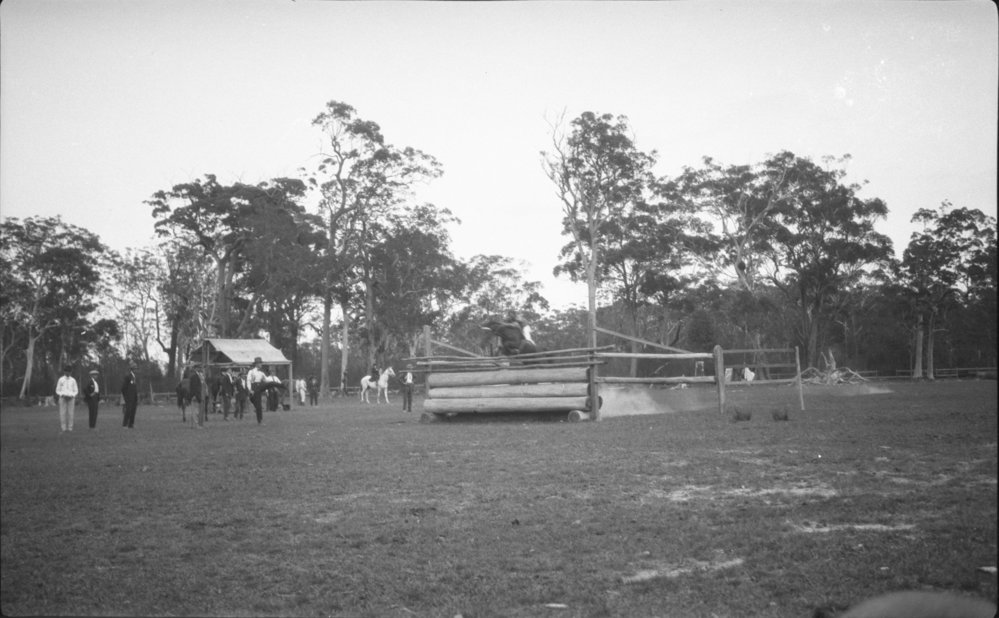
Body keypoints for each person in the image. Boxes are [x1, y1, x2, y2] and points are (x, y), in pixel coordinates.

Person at [55, 366, 79, 432]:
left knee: (71, 413)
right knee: (62, 413)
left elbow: (76, 390)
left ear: (71, 372)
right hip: (63, 398)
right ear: (64, 371)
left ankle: (70, 428)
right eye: (66, 371)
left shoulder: (73, 380)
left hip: (71, 398)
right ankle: (63, 428)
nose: (68, 373)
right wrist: (62, 395)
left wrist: (72, 395)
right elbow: (57, 390)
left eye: (69, 371)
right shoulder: (61, 379)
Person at [246, 357, 266, 424]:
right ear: (257, 364)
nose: (261, 364)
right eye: (260, 363)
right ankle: (260, 420)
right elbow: (248, 381)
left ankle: (260, 420)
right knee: (258, 405)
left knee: (259, 405)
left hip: (259, 388)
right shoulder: (251, 372)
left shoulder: (261, 373)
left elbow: (266, 380)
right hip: (254, 388)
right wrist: (250, 389)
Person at [121, 364, 139, 428]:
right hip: (129, 398)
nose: (136, 370)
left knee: (133, 411)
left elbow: (134, 388)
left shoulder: (134, 377)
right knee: (128, 411)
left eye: (136, 368)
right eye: (135, 368)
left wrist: (136, 397)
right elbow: (123, 388)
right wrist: (126, 397)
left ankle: (131, 424)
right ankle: (125, 424)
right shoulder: (128, 376)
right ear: (132, 369)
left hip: (134, 397)